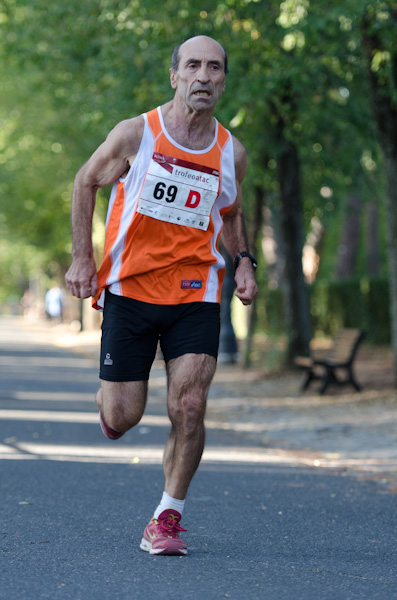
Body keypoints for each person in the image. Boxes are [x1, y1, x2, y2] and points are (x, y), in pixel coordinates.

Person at [65, 35, 258, 556]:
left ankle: (167, 517)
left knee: (190, 405)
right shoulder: (136, 135)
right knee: (124, 415)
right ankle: (111, 403)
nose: (203, 76)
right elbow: (86, 181)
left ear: (223, 80)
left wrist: (242, 263)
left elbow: (231, 214)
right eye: (192, 65)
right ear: (174, 76)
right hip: (130, 289)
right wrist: (84, 258)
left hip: (196, 291)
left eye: (214, 68)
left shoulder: (230, 153)